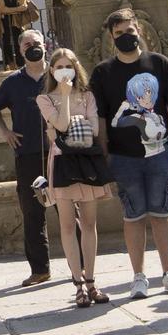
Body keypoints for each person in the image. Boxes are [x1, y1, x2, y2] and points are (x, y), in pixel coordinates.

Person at [90, 7, 168, 298]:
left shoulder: (159, 64)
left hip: (160, 154)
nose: (125, 37)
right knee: (132, 217)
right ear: (111, 37)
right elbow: (102, 121)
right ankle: (139, 277)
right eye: (118, 33)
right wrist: (105, 158)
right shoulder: (103, 73)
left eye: (129, 31)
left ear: (139, 31)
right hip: (123, 158)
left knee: (161, 213)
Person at [38, 47, 112, 307]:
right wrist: (67, 100)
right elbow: (60, 125)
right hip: (61, 163)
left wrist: (66, 123)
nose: (63, 71)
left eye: (67, 65)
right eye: (58, 67)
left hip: (86, 160)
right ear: (51, 70)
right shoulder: (45, 98)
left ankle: (91, 280)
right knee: (68, 225)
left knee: (90, 224)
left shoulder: (89, 95)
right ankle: (77, 283)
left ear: (75, 66)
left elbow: (93, 128)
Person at [0, 28, 54, 286]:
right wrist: (5, 132)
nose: (32, 46)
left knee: (70, 208)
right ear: (20, 50)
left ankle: (81, 263)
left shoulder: (57, 74)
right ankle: (40, 269)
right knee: (32, 212)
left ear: (44, 45)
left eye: (35, 42)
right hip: (27, 155)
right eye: (27, 44)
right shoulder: (13, 82)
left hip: (59, 152)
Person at [0, 0, 37, 65]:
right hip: (4, 20)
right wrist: (17, 9)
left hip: (18, 21)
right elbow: (1, 9)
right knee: (5, 42)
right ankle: (8, 64)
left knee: (19, 40)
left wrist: (9, 10)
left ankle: (21, 63)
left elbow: (24, 6)